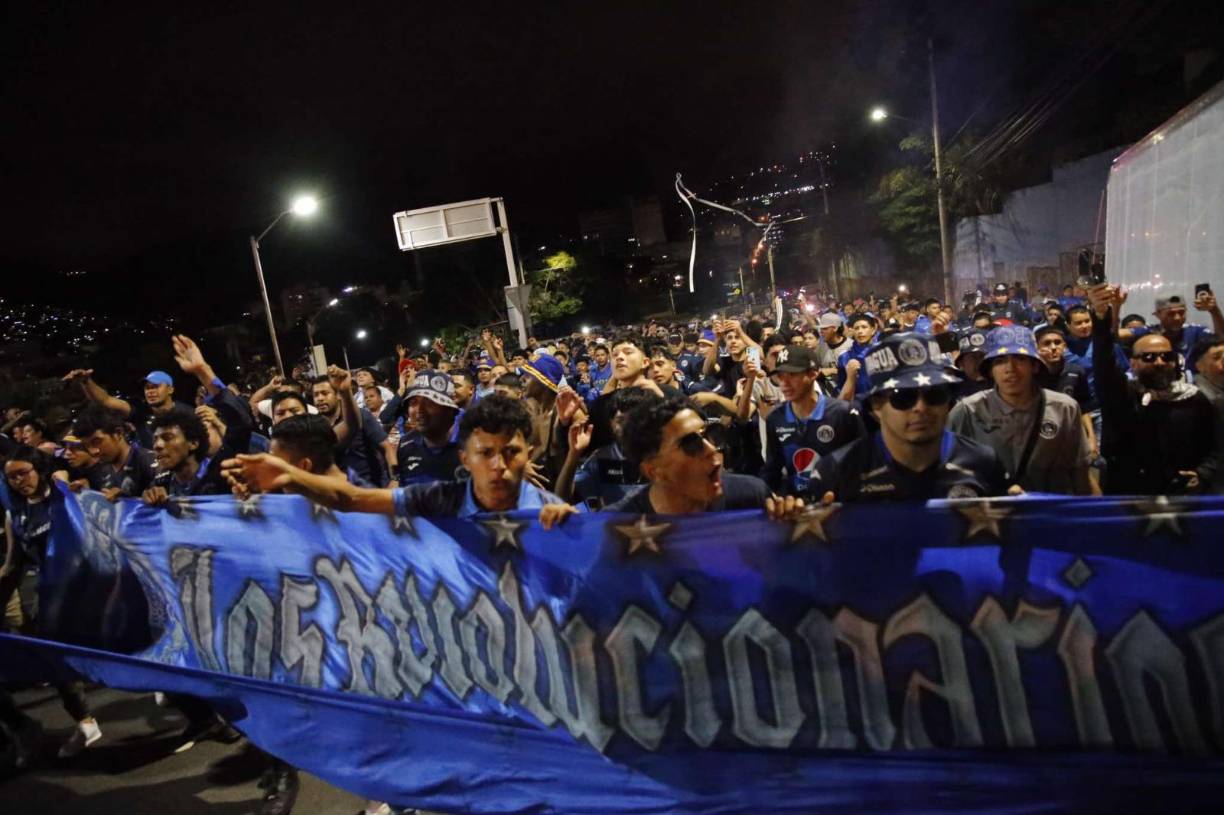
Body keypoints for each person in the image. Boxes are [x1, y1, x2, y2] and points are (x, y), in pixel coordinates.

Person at [223, 394, 579, 528]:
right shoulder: (440, 498)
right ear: (465, 459)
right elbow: (353, 499)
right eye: (486, 452)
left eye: (511, 452)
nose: (499, 465)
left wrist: (575, 531)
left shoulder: (549, 509)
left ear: (527, 455)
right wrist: (290, 478)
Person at [812, 332, 1011, 501]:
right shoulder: (838, 472)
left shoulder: (984, 464)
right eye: (904, 398)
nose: (921, 408)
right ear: (876, 406)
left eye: (935, 395)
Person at [1, 447, 102, 758]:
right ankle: (86, 722)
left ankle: (197, 704)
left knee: (131, 650)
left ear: (39, 469)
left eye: (24, 472)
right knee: (55, 662)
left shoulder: (65, 496)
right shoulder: (15, 514)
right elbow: (13, 565)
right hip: (51, 600)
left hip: (91, 592)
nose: (19, 481)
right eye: (11, 477)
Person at [1086, 285, 1221, 495]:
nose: (1159, 362)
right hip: (1130, 499)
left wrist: (1202, 474)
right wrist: (1102, 315)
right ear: (1133, 363)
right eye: (1148, 357)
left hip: (1182, 501)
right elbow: (1104, 359)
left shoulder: (1195, 400)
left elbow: (1215, 448)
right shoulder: (1122, 395)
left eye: (1166, 357)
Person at [948, 326, 1095, 495]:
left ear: (1034, 366)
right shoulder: (968, 411)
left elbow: (1080, 473)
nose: (1010, 368)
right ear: (990, 369)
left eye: (1020, 359)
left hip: (1047, 514)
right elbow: (949, 472)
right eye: (1000, 360)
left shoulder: (1064, 409)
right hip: (992, 516)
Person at [605, 397, 803, 519]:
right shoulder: (621, 524)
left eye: (707, 435)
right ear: (654, 471)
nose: (711, 449)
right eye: (690, 444)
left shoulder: (751, 495)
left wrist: (793, 529)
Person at [760, 345, 864, 495]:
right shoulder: (776, 418)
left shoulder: (842, 413)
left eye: (792, 375)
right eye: (781, 375)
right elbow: (772, 470)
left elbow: (862, 464)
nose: (784, 383)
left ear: (813, 373)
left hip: (840, 506)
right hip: (797, 507)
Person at [555, 387, 657, 508]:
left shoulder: (668, 455)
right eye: (620, 420)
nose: (628, 427)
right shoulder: (604, 459)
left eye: (636, 419)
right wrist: (573, 454)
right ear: (611, 424)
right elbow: (563, 498)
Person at [62, 367, 190, 450]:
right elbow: (106, 401)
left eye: (155, 386)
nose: (150, 391)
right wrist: (86, 382)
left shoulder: (186, 413)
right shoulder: (141, 412)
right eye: (147, 388)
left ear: (170, 389)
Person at [312, 367, 389, 487]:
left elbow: (386, 447)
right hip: (339, 493)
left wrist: (394, 480)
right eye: (316, 395)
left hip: (370, 487)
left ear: (338, 395)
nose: (320, 398)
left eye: (325, 393)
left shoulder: (361, 414)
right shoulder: (314, 426)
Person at [386, 370, 462, 487]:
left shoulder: (474, 442)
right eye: (413, 402)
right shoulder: (406, 444)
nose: (420, 410)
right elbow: (398, 488)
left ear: (449, 409)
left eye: (430, 403)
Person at [72, 404, 157, 499]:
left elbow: (166, 507)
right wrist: (88, 492)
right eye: (86, 446)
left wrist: (127, 500)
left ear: (118, 433)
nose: (92, 452)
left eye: (97, 442)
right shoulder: (102, 470)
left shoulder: (148, 462)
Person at [1120, 291, 1224, 365]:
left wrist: (1214, 311)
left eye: (1181, 312)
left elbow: (1221, 339)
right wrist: (1116, 307)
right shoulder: (1150, 331)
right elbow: (1114, 335)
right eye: (1171, 314)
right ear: (1157, 314)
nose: (1177, 317)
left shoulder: (1195, 331)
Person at [836, 313, 879, 402]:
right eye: (856, 328)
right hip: (857, 407)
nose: (860, 331)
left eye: (864, 327)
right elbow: (841, 388)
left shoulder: (882, 351)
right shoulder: (845, 357)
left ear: (873, 330)